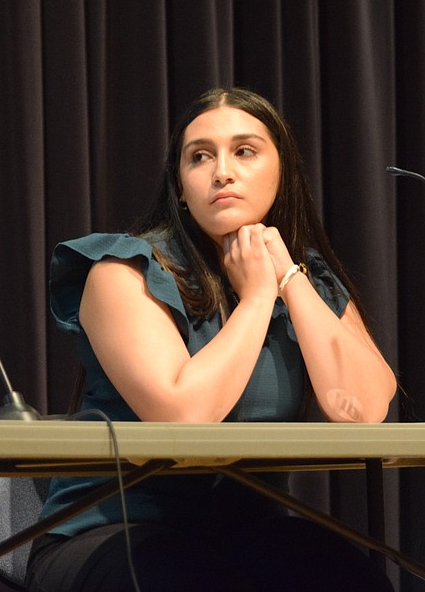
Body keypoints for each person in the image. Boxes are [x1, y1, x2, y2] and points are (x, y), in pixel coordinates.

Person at [27, 88, 397, 592]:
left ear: (281, 172)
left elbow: (364, 407)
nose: (222, 171)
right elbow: (184, 419)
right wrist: (258, 297)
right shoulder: (123, 270)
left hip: (249, 534)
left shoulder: (307, 278)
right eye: (200, 156)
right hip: (110, 532)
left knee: (350, 579)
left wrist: (288, 277)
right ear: (180, 186)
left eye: (245, 151)